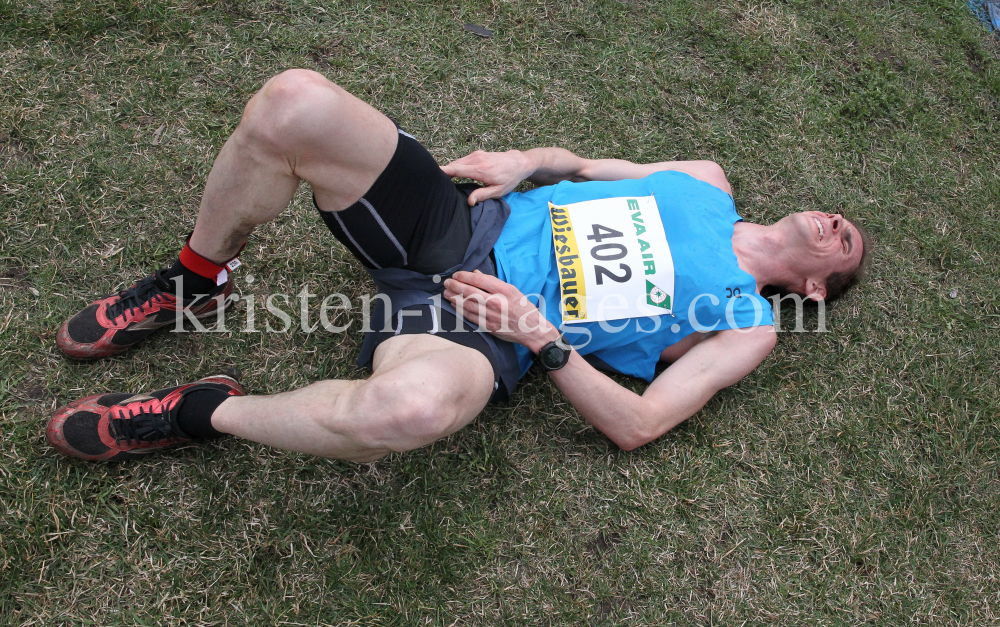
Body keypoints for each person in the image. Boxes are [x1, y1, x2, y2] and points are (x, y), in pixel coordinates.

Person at [46, 69, 869, 463]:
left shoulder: (749, 323)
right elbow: (580, 164)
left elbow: (639, 425)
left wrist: (543, 340)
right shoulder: (708, 183)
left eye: (844, 244)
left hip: (487, 335)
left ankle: (195, 412)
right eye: (840, 218)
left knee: (405, 413)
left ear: (809, 288)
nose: (836, 223)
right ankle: (196, 281)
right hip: (458, 222)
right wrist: (526, 161)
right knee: (293, 103)